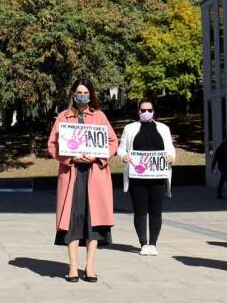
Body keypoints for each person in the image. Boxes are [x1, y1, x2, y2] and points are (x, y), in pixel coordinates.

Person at [48, 79, 118, 283]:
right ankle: (72, 267)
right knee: (72, 220)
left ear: (91, 94)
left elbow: (113, 141)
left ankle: (89, 267)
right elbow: (52, 145)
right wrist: (70, 158)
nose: (82, 95)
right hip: (73, 174)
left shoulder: (99, 116)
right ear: (73, 94)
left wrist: (98, 157)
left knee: (93, 222)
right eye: (79, 92)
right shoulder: (63, 117)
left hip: (94, 175)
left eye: (86, 92)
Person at [119, 100, 174, 255]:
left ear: (154, 111)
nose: (146, 112)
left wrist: (171, 157)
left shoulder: (163, 128)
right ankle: (143, 243)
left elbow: (170, 149)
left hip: (158, 178)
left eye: (149, 110)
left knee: (156, 210)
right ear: (138, 111)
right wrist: (123, 156)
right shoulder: (129, 129)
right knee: (140, 211)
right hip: (137, 178)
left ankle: (153, 243)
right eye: (143, 110)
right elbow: (121, 149)